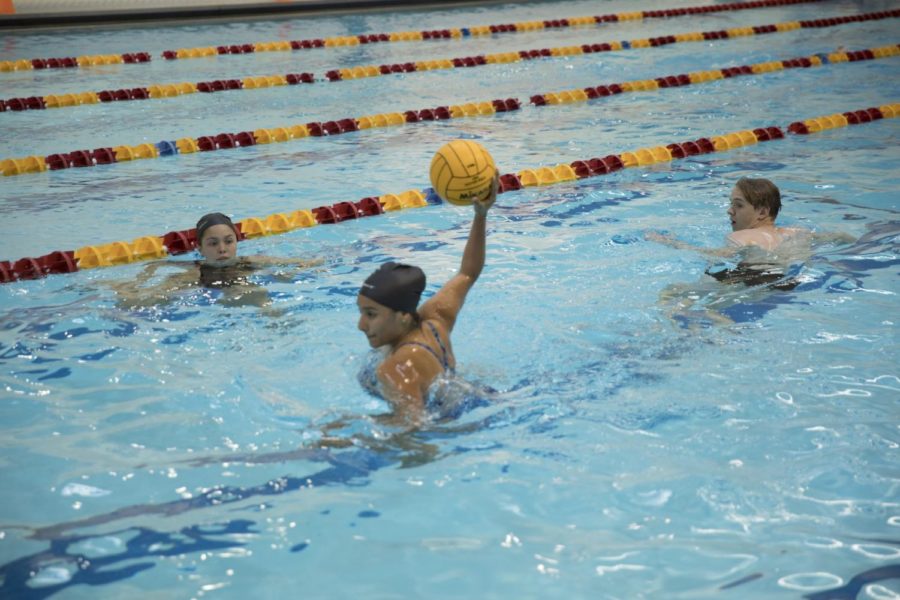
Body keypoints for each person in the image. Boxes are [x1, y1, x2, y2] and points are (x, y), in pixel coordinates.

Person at [356, 176, 497, 425]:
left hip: (455, 425)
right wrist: (480, 216)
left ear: (403, 316)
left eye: (371, 314)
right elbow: (468, 273)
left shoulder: (397, 369)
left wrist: (353, 431)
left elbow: (415, 434)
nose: (361, 325)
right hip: (477, 399)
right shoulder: (435, 319)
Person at [110, 212, 320, 310]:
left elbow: (296, 263)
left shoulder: (250, 261)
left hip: (236, 291)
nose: (222, 248)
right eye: (213, 243)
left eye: (228, 241)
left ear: (236, 242)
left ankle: (273, 317)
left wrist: (310, 264)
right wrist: (136, 285)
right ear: (200, 248)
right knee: (147, 301)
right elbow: (154, 265)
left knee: (264, 287)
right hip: (206, 284)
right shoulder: (195, 271)